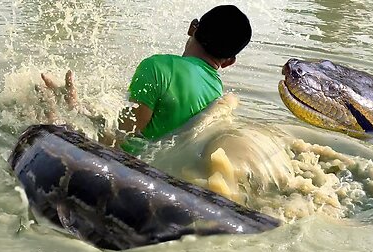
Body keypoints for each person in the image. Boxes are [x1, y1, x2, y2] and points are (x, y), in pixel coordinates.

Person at [37, 5, 252, 154]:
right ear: (229, 62)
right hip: (166, 172)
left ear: (191, 28)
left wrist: (61, 127)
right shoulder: (216, 92)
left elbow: (124, 135)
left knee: (42, 118)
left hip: (130, 170)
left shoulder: (157, 67)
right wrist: (78, 107)